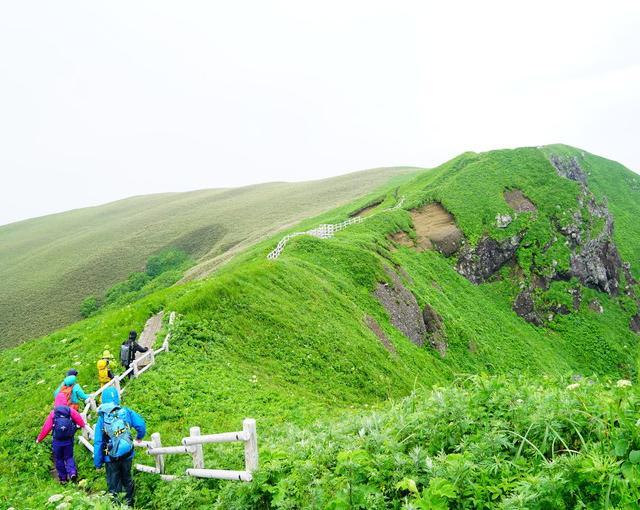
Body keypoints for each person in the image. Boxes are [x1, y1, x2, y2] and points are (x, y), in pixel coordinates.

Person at [93, 386, 146, 507]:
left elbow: (98, 442)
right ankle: (130, 504)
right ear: (117, 398)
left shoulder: (102, 418)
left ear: (103, 400)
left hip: (110, 458)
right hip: (127, 453)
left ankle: (116, 506)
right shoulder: (125, 411)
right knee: (127, 478)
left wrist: (98, 463)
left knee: (113, 483)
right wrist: (139, 436)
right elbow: (141, 424)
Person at [37, 392, 87, 484]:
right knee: (69, 457)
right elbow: (79, 419)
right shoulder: (69, 410)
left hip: (57, 441)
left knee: (59, 459)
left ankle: (63, 478)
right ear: (65, 401)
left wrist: (39, 439)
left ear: (56, 401)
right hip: (68, 440)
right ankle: (72, 472)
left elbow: (46, 427)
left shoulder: (53, 413)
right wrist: (83, 425)